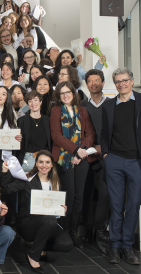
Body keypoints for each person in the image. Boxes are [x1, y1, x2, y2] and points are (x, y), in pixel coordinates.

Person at [0, 151, 73, 273]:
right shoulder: (27, 179)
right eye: (41, 162)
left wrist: (61, 209)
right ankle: (33, 255)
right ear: (36, 164)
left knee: (66, 244)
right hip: (27, 223)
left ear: (52, 164)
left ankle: (38, 245)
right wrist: (4, 172)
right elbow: (5, 189)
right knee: (50, 220)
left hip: (47, 223)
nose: (44, 165)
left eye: (47, 162)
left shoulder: (56, 182)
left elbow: (54, 207)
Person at [101, 68, 141, 265]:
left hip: (136, 161)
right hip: (114, 160)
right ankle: (115, 247)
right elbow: (104, 132)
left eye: (125, 80)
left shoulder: (140, 101)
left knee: (133, 205)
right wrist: (106, 154)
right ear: (114, 84)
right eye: (117, 81)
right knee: (116, 206)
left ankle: (128, 247)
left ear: (132, 81)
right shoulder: (108, 106)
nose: (121, 84)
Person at [50, 81, 95, 248]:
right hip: (64, 157)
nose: (65, 95)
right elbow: (56, 136)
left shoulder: (82, 111)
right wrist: (75, 150)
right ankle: (64, 231)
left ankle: (74, 232)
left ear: (73, 93)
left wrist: (81, 151)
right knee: (68, 196)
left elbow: (90, 133)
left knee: (79, 196)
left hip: (81, 158)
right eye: (62, 93)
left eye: (68, 92)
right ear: (58, 96)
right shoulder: (56, 111)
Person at [80, 69, 110, 254]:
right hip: (87, 154)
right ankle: (88, 229)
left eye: (96, 80)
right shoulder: (82, 105)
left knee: (105, 195)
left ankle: (100, 229)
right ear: (86, 84)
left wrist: (104, 149)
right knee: (87, 194)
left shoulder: (112, 104)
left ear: (103, 82)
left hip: (107, 155)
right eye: (90, 81)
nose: (93, 83)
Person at [16, 91, 51, 172]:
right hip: (27, 159)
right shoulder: (21, 121)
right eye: (30, 101)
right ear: (27, 104)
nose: (33, 103)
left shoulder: (47, 120)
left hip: (44, 159)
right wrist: (18, 139)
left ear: (40, 102)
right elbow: (17, 142)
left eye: (35, 100)